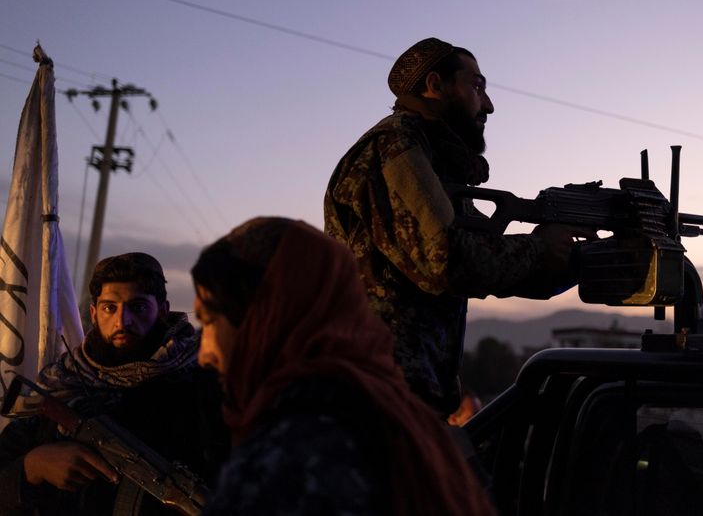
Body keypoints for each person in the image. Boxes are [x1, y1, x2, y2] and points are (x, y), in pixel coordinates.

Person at [324, 37, 595, 416]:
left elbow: (496, 269)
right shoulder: (393, 148)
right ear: (435, 86)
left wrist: (584, 258)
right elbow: (448, 260)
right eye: (477, 86)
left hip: (404, 402)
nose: (488, 104)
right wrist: (537, 247)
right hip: (372, 401)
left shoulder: (436, 165)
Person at [191, 217, 496, 516]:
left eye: (209, 321)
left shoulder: (288, 462)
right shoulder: (405, 418)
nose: (204, 353)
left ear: (264, 317)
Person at [0, 252, 228, 516]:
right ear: (94, 314)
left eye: (138, 307)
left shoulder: (206, 387)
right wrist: (32, 467)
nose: (122, 321)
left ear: (163, 311)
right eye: (110, 307)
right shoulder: (62, 386)